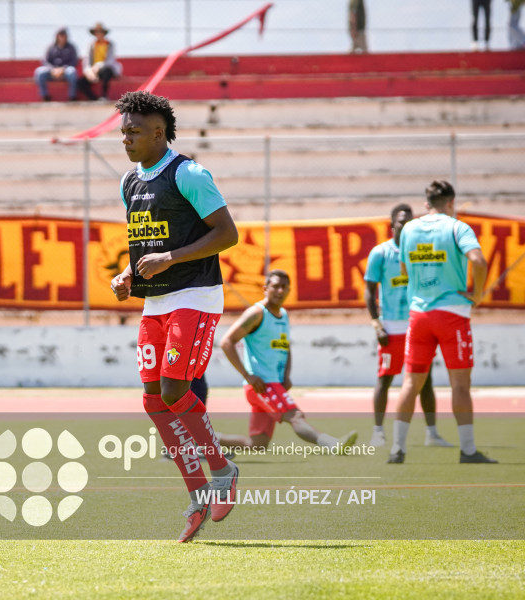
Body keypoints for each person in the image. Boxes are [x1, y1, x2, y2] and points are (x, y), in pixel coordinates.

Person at [110, 91, 240, 543]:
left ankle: (223, 469)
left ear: (159, 132)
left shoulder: (189, 173)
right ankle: (198, 493)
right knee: (152, 398)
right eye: (123, 131)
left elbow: (227, 234)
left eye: (134, 131)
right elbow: (145, 243)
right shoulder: (130, 183)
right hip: (155, 301)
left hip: (196, 295)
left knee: (174, 389)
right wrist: (127, 273)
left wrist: (171, 257)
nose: (126, 138)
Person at [388, 180, 496, 464]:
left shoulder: (409, 228)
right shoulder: (457, 227)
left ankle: (397, 449)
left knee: (410, 382)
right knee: (460, 385)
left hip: (418, 315)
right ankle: (469, 451)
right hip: (452, 315)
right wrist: (478, 294)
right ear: (451, 203)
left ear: (427, 204)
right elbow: (479, 261)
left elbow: (403, 268)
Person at [217, 270, 359, 454]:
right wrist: (247, 375)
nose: (280, 291)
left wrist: (286, 375)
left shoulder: (283, 314)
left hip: (274, 382)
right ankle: (333, 444)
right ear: (265, 288)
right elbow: (226, 342)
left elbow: (285, 346)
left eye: (284, 287)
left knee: (258, 444)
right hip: (262, 384)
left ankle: (205, 440)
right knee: (296, 416)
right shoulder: (256, 313)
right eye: (275, 286)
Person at [364, 204, 452, 448]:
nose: (407, 225)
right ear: (392, 225)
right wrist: (376, 323)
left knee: (426, 381)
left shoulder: (419, 252)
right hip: (391, 327)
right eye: (402, 222)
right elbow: (370, 291)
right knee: (386, 379)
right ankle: (378, 433)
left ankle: (432, 434)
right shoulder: (380, 253)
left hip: (418, 324)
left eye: (411, 221)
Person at [76, 22, 122, 101]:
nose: (99, 34)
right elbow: (86, 61)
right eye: (97, 32)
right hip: (93, 71)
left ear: (104, 33)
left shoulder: (110, 44)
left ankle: (104, 95)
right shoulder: (91, 45)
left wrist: (98, 66)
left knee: (106, 72)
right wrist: (89, 72)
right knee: (80, 82)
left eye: (100, 32)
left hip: (106, 69)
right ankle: (94, 98)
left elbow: (110, 61)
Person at [34, 28, 79, 102]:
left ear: (67, 36)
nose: (62, 37)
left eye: (64, 35)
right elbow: (45, 61)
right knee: (39, 72)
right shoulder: (50, 47)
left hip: (65, 72)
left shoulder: (71, 48)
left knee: (72, 71)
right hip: (52, 72)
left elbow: (74, 61)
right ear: (57, 36)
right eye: (60, 35)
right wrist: (53, 69)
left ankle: (72, 97)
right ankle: (45, 96)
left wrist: (63, 69)